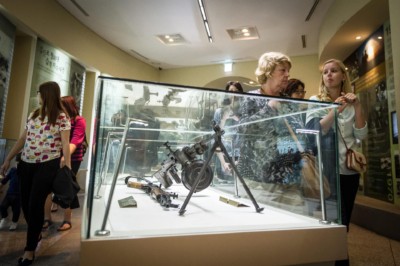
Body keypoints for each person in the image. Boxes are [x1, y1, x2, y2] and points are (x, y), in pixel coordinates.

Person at [0, 81, 71, 265]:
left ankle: (29, 250)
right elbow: (23, 138)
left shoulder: (62, 117)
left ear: (46, 94)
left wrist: (68, 168)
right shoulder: (34, 114)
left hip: (47, 165)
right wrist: (8, 158)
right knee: (25, 203)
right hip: (26, 163)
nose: (37, 95)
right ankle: (36, 231)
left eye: (39, 92)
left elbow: (64, 143)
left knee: (35, 204)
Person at [305, 59, 367, 265]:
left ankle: (339, 257)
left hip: (348, 170)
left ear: (343, 76)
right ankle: (335, 257)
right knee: (331, 218)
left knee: (344, 220)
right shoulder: (315, 100)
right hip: (326, 170)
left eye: (334, 71)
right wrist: (335, 109)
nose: (329, 74)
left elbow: (361, 135)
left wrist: (356, 106)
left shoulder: (352, 103)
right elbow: (315, 131)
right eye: (325, 72)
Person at [237, 52, 305, 205]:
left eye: (288, 71)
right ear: (268, 72)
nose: (288, 75)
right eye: (283, 70)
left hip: (288, 180)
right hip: (257, 181)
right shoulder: (251, 98)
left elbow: (299, 133)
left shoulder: (288, 102)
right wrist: (269, 108)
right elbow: (243, 131)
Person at [44, 95, 86, 231]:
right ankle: (47, 218)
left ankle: (67, 220)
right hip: (54, 156)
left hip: (72, 159)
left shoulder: (79, 121)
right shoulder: (58, 119)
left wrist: (66, 156)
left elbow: (76, 140)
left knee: (67, 187)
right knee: (47, 188)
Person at [213, 81, 244, 181]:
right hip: (224, 155)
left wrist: (236, 117)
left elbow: (247, 135)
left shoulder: (243, 111)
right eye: (231, 91)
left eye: (236, 91)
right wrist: (224, 119)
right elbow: (216, 137)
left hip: (240, 156)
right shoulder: (219, 111)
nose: (234, 94)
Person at [0, 153, 21, 231]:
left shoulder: (25, 173)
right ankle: (5, 218)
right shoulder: (13, 170)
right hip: (9, 193)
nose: (18, 164)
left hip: (19, 195)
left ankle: (14, 222)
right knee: (2, 206)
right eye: (17, 162)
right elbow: (5, 180)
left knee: (16, 210)